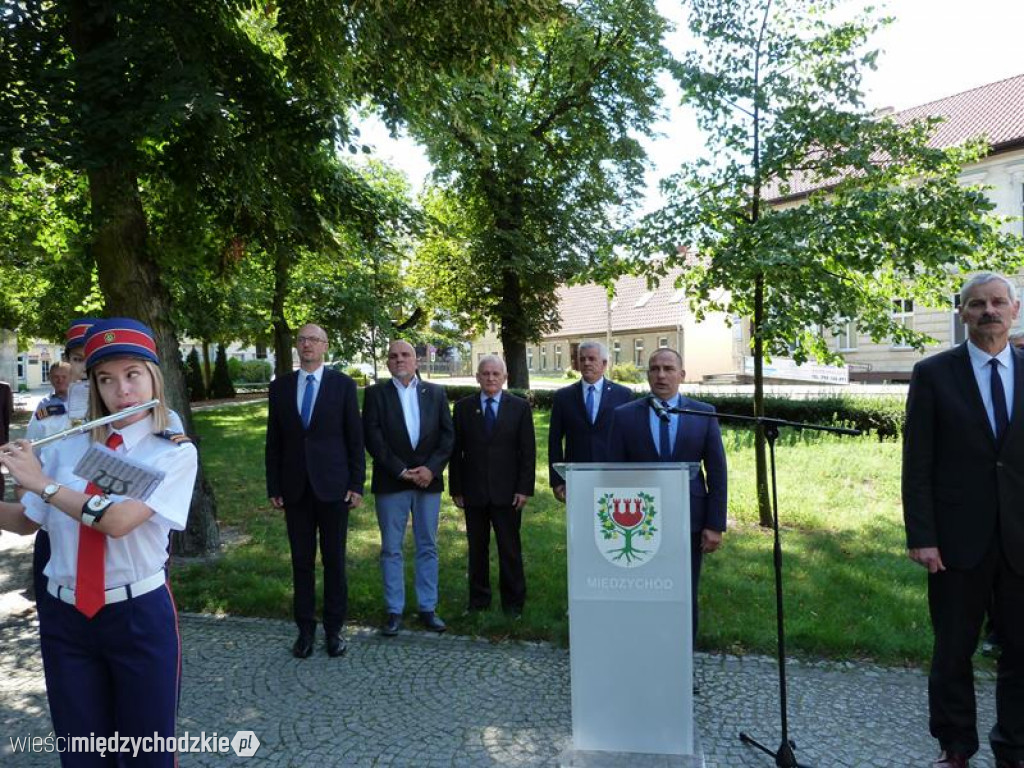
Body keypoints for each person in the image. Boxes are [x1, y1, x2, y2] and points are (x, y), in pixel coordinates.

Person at [0, 317, 198, 768]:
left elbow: (119, 520)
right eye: (106, 379)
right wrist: (28, 480)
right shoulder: (65, 446)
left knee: (147, 757)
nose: (121, 391)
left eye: (133, 375)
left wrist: (44, 485)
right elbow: (26, 522)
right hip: (66, 619)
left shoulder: (171, 451)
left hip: (137, 618)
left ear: (154, 378)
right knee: (82, 757)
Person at [903, 272, 1024, 768]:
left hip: (1021, 537)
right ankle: (955, 746)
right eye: (977, 304)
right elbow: (918, 463)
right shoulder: (933, 373)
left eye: (998, 302)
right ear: (963, 314)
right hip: (954, 541)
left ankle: (1014, 747)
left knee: (1021, 650)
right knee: (953, 650)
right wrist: (923, 536)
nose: (988, 311)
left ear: (1014, 310)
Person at [607, 348, 727, 640]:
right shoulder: (624, 416)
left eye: (668, 369)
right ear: (647, 374)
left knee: (684, 593)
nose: (661, 375)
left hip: (691, 520)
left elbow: (718, 472)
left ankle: (683, 667)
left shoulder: (703, 413)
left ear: (682, 375)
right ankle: (645, 655)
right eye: (655, 368)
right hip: (638, 524)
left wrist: (715, 525)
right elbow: (613, 474)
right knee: (644, 592)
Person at [265, 323, 365, 658]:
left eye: (314, 340)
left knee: (334, 561)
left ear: (325, 346)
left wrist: (356, 484)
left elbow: (355, 438)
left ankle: (334, 631)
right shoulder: (280, 387)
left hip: (334, 488)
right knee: (301, 562)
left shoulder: (343, 386)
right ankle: (305, 631)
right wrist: (274, 485)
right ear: (296, 346)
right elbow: (274, 441)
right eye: (302, 339)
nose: (307, 345)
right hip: (294, 489)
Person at [363, 340, 454, 636]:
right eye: (393, 356)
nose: (399, 359)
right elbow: (373, 438)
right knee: (391, 548)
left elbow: (447, 436)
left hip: (429, 481)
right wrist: (400, 470)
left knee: (427, 545)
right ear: (387, 363)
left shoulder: (436, 393)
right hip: (392, 481)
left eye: (405, 355)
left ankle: (428, 607)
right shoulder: (376, 394)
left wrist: (431, 469)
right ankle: (394, 610)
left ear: (416, 361)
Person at [449, 355, 535, 616]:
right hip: (473, 492)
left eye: (496, 374)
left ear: (505, 377)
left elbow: (528, 452)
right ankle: (478, 601)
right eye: (485, 373)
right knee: (477, 550)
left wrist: (524, 489)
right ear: (477, 377)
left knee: (509, 549)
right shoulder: (464, 408)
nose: (490, 378)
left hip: (508, 493)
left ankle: (513, 604)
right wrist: (456, 489)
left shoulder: (519, 407)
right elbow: (456, 452)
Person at [548, 341, 632, 502]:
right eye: (582, 359)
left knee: (609, 525)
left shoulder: (623, 395)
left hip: (613, 477)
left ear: (604, 363)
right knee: (579, 525)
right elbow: (554, 441)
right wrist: (557, 480)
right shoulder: (563, 397)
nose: (586, 363)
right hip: (576, 476)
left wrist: (629, 477)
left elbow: (630, 439)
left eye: (592, 358)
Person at [25, 361, 72, 442]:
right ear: (50, 378)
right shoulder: (44, 403)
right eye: (56, 377)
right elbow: (33, 432)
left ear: (71, 377)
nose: (60, 380)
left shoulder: (83, 400)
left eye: (64, 377)